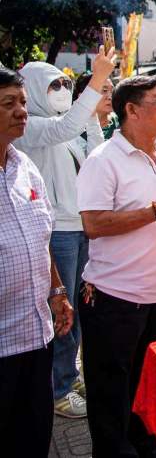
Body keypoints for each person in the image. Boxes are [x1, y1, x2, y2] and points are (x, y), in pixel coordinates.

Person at [77, 75, 156, 456]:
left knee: (150, 383)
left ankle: (146, 443)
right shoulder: (103, 161)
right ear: (130, 110)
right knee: (112, 387)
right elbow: (94, 225)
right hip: (115, 294)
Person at [15, 48, 115, 419]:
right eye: (54, 84)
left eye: (65, 83)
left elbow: (94, 149)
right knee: (61, 310)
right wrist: (96, 82)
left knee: (76, 307)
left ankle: (69, 376)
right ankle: (57, 390)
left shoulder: (61, 123)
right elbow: (64, 128)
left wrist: (87, 108)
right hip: (57, 231)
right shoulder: (30, 126)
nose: (61, 89)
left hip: (79, 227)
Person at [0, 68, 74, 457]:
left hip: (36, 335)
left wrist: (58, 290)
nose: (21, 111)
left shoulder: (24, 166)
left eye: (23, 102)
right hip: (1, 345)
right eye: (8, 104)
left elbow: (40, 239)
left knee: (33, 436)